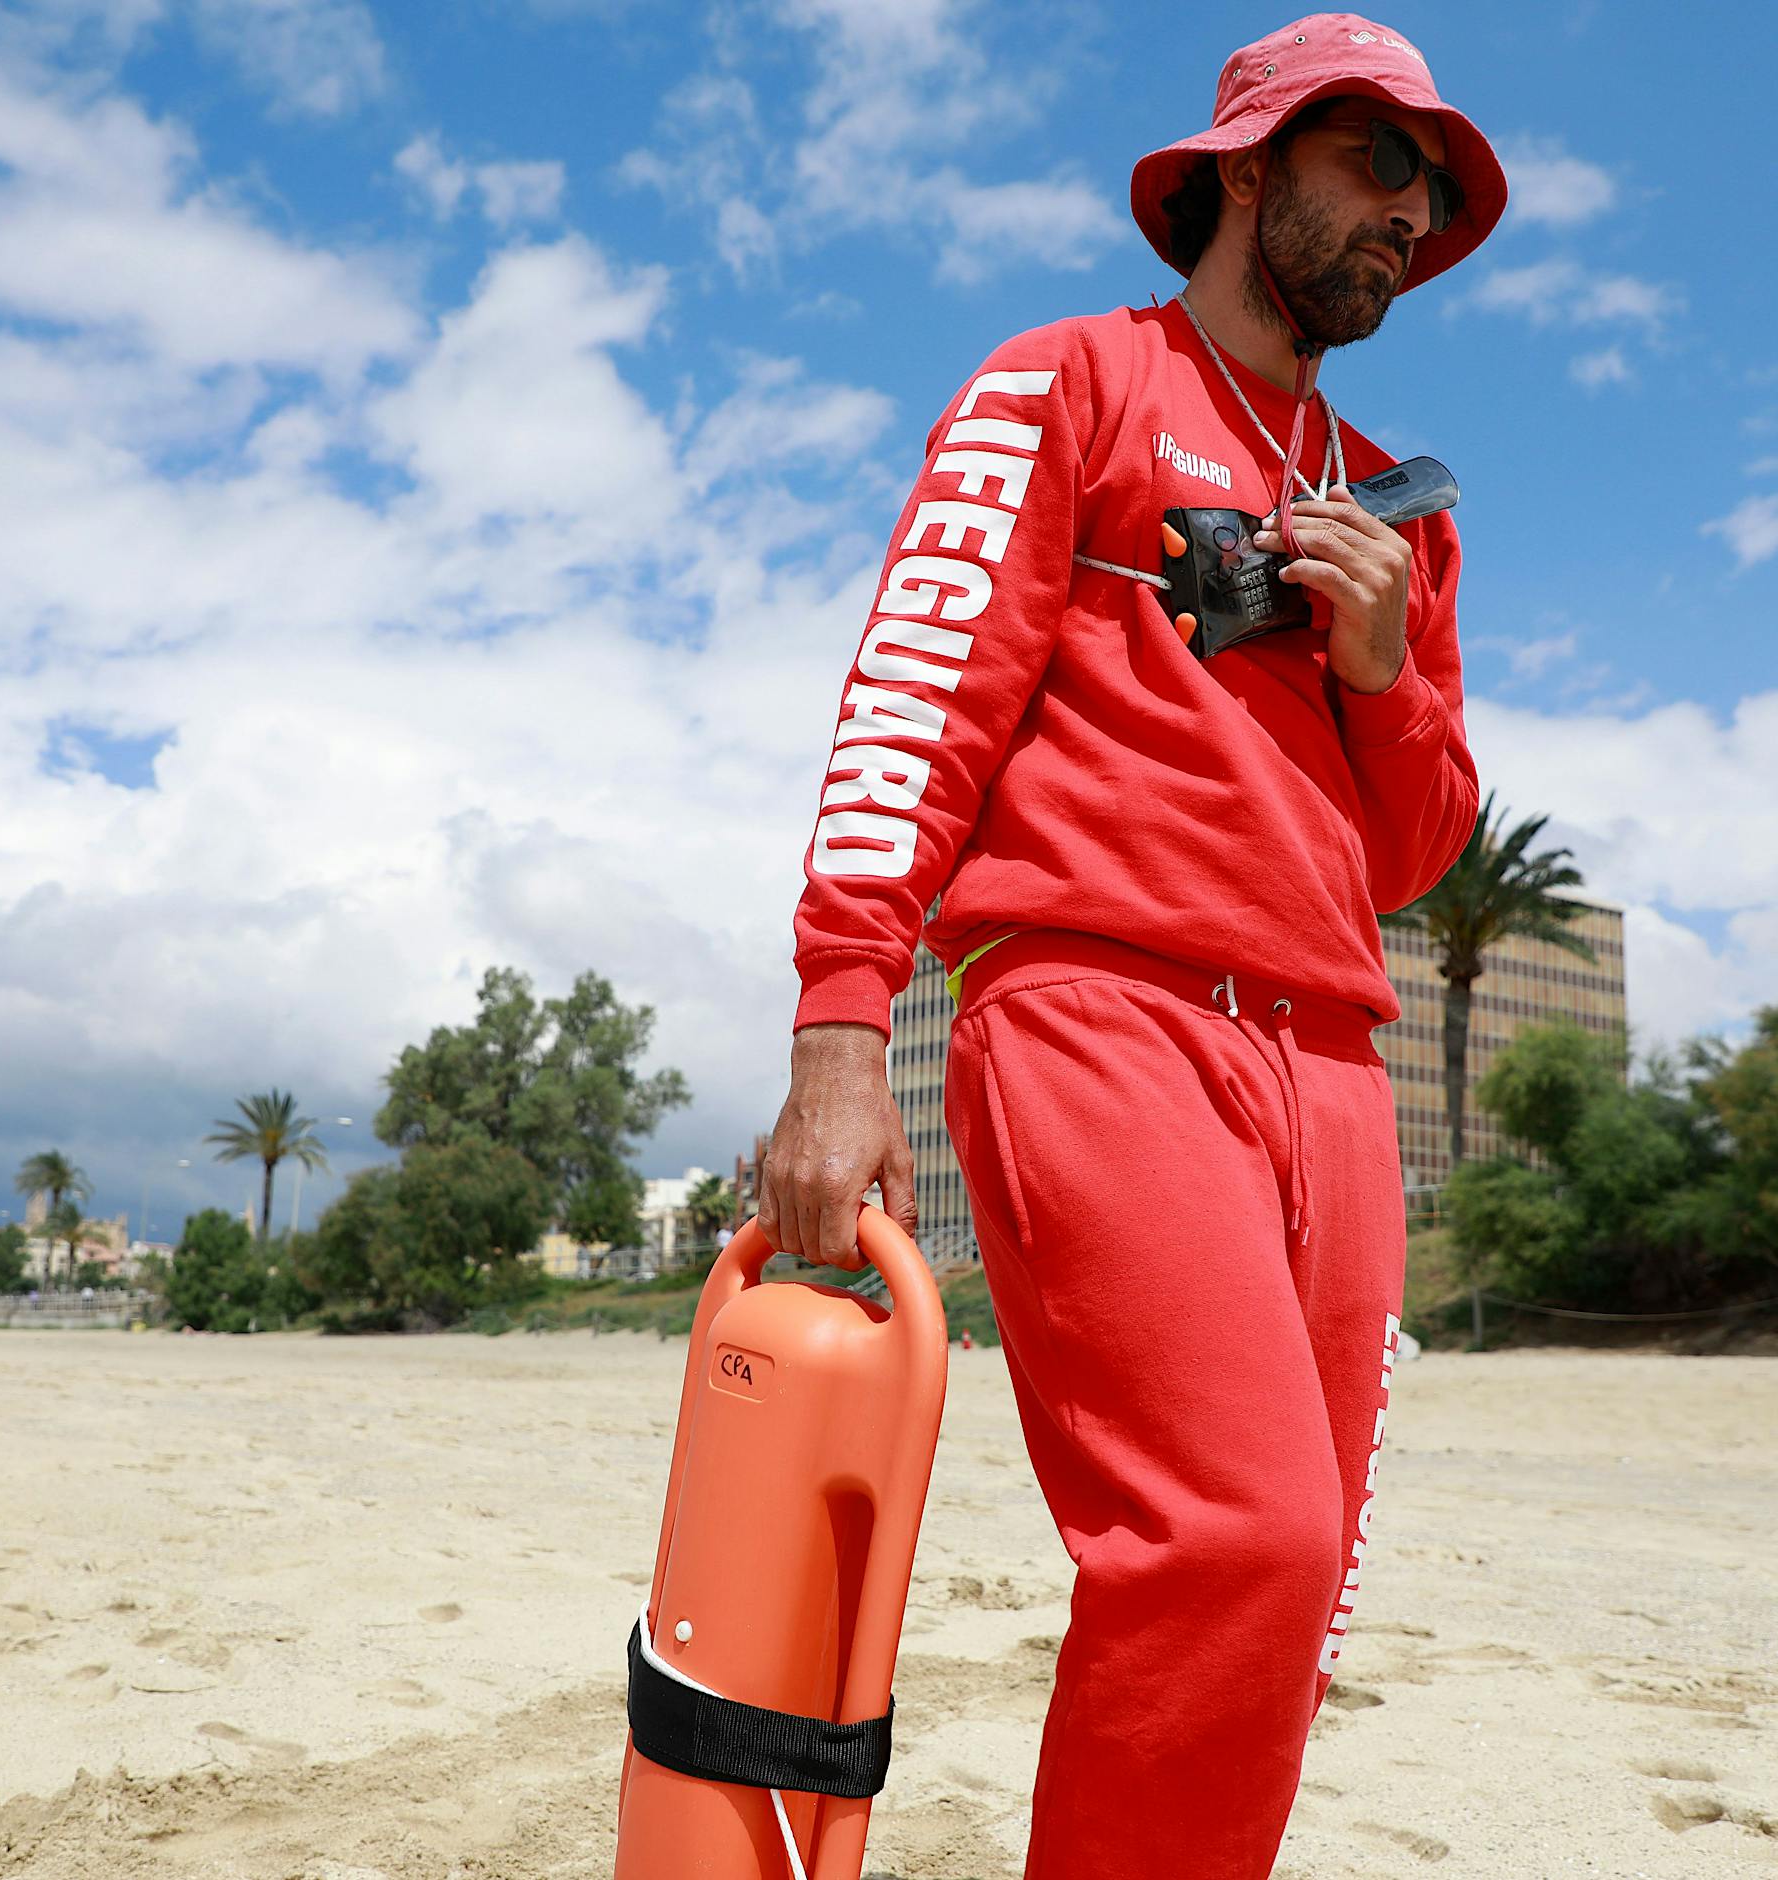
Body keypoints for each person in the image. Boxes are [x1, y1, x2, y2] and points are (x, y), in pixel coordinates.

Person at [757, 15, 1506, 1878]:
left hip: (1334, 1062)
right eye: (1377, 165)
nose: (1410, 215)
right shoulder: (1068, 382)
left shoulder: (1395, 501)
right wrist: (841, 1034)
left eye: (1434, 191)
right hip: (1100, 1013)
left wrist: (1378, 664)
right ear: (1248, 166)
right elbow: (916, 701)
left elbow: (1413, 852)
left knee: (1290, 1584)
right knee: (1230, 1537)